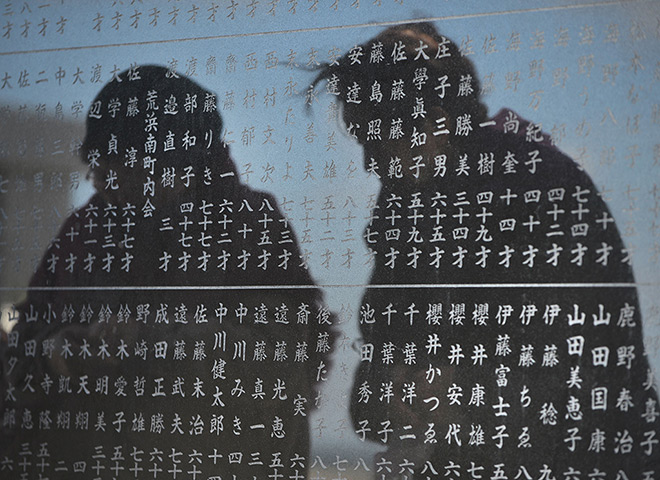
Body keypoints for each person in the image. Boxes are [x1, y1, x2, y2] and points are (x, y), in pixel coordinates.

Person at [313, 23, 660, 475]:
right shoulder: (405, 206)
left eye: (375, 138)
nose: (368, 162)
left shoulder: (541, 187)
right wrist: (394, 392)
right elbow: (372, 383)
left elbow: (582, 376)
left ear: (435, 122)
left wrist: (452, 388)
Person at [1, 65, 333, 479]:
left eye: (122, 167)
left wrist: (146, 341)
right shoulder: (85, 231)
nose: (103, 182)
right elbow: (24, 340)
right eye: (98, 167)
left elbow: (282, 354)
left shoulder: (249, 224)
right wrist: (57, 352)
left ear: (181, 165)